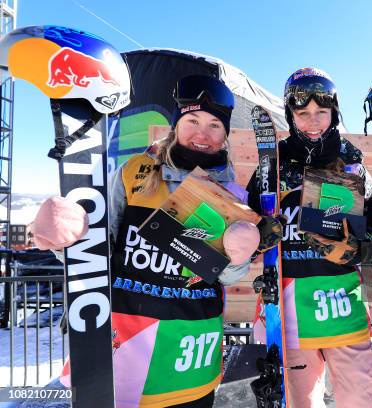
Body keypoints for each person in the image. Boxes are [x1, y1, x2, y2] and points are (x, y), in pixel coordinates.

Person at [30, 74, 265, 407]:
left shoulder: (233, 194)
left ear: (225, 135)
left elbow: (224, 276)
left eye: (215, 125)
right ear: (176, 124)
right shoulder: (134, 171)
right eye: (193, 120)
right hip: (122, 345)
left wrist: (239, 256)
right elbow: (99, 249)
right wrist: (64, 240)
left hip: (191, 350)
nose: (202, 133)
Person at [246, 67, 372, 408]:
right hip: (291, 316)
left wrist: (361, 245)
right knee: (301, 403)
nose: (313, 121)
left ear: (334, 112)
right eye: (302, 113)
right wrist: (255, 235)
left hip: (344, 308)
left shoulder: (352, 164)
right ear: (290, 115)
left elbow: (371, 232)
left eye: (321, 112)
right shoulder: (271, 165)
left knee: (361, 400)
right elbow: (245, 229)